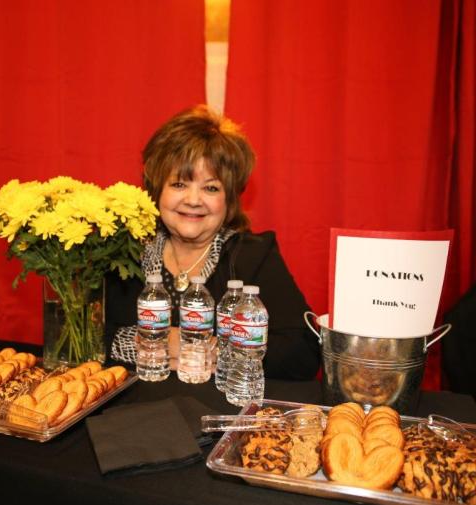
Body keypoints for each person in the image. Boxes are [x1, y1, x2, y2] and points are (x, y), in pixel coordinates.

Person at [105, 106, 319, 380]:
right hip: (127, 412)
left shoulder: (253, 255)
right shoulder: (124, 251)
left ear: (229, 200)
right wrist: (152, 342)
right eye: (179, 184)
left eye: (211, 188)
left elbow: (302, 352)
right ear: (157, 190)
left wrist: (210, 349)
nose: (194, 200)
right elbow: (88, 335)